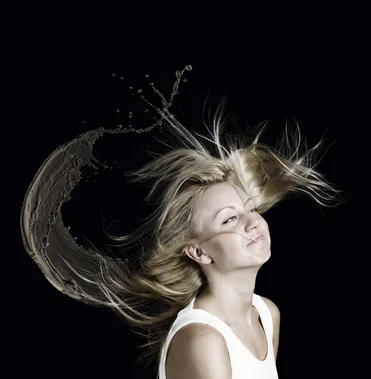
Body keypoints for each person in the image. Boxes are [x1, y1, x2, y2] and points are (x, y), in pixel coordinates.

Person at [22, 84, 339, 379]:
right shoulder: (203, 338)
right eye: (229, 219)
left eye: (250, 208)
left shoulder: (266, 314)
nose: (253, 222)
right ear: (199, 252)